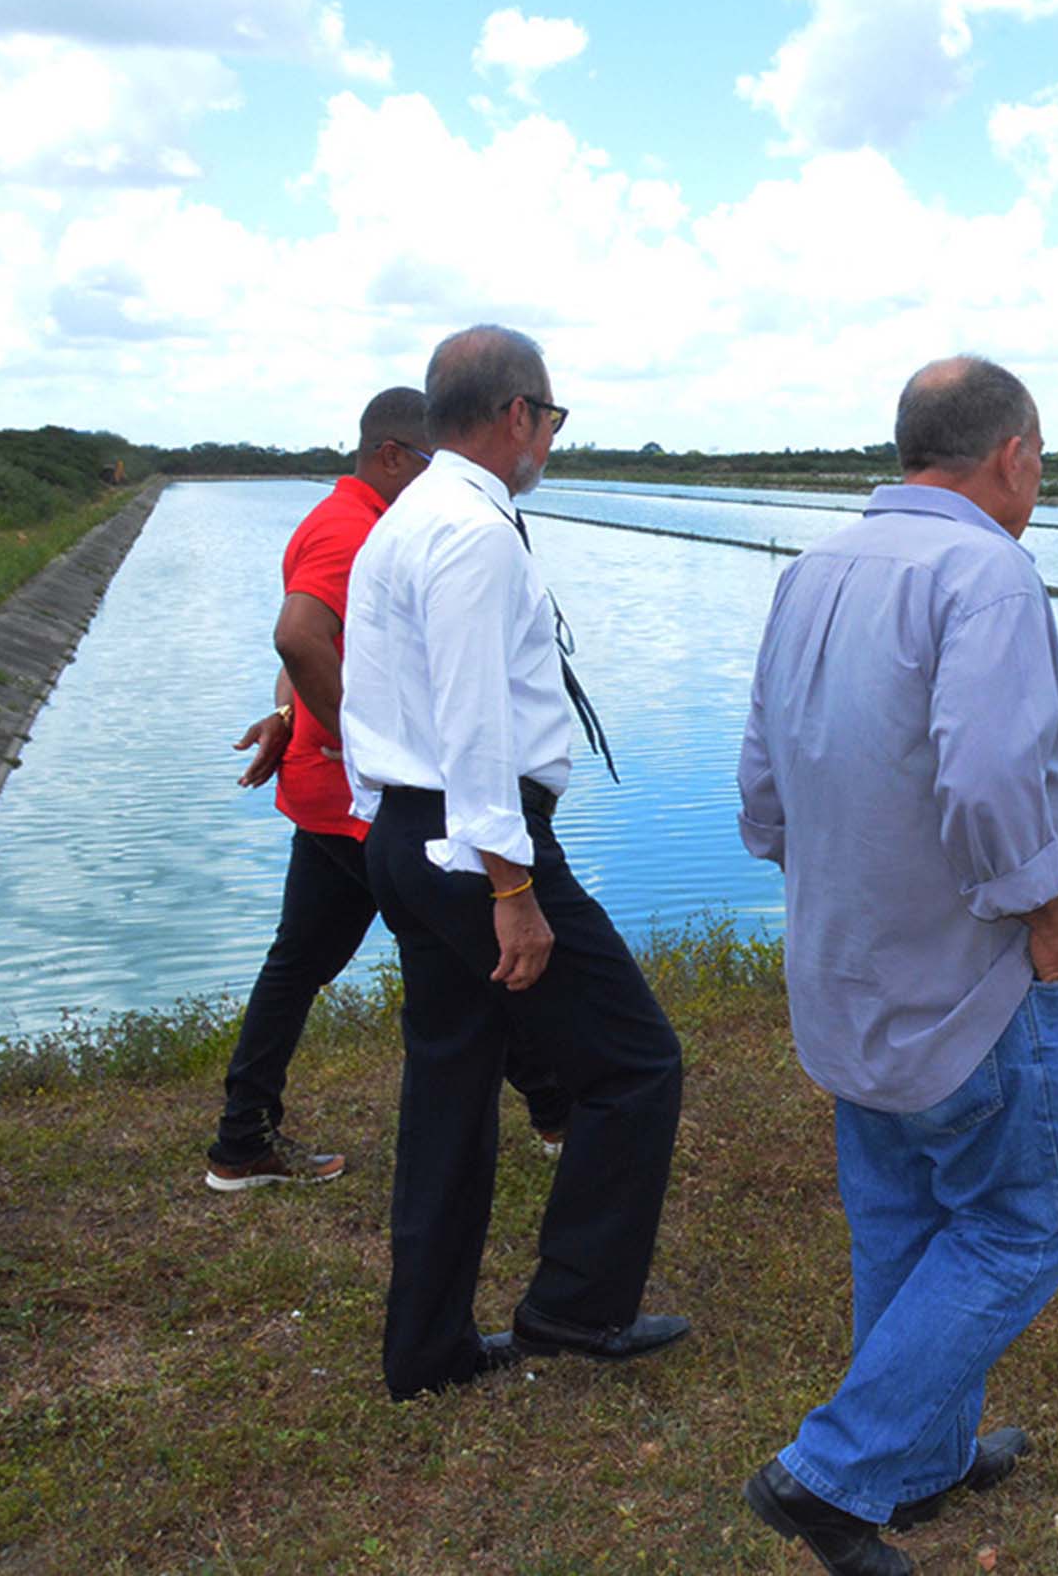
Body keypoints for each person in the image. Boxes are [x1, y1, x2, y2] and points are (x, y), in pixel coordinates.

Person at [735, 355, 1058, 1575]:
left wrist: (829, 876)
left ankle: (922, 1459)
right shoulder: (985, 574)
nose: (1038, 480)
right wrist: (1048, 919)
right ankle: (834, 1475)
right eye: (1040, 457)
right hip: (973, 975)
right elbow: (993, 780)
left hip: (847, 962)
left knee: (900, 1215)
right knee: (1026, 1217)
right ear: (1011, 453)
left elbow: (764, 782)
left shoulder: (816, 569)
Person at [339, 326, 687, 1401]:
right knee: (636, 1063)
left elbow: (377, 695)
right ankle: (576, 1308)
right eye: (553, 417)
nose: (551, 438)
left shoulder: (407, 519)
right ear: (515, 416)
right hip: (473, 841)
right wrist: (512, 889)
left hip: (410, 831)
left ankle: (429, 1348)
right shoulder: (476, 533)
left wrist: (397, 833)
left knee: (449, 1083)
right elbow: (474, 721)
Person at [211, 387, 570, 1191]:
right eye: (426, 460)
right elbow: (299, 635)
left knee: (305, 960)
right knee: (482, 946)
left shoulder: (352, 521)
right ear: (390, 455)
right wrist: (366, 747)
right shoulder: (352, 527)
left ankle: (242, 1138)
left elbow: (313, 639)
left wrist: (286, 711)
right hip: (358, 798)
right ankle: (556, 1110)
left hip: (332, 790)